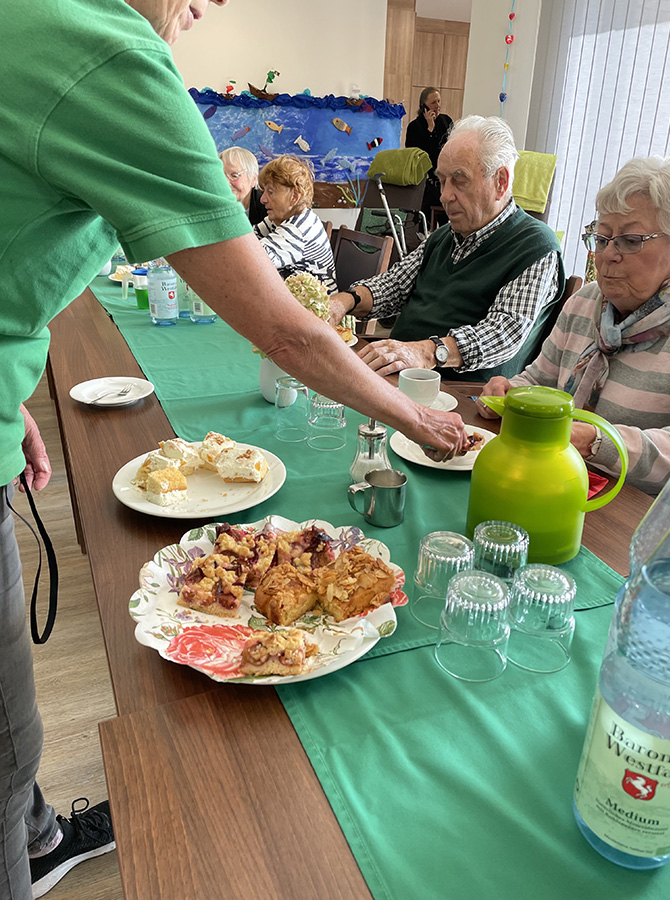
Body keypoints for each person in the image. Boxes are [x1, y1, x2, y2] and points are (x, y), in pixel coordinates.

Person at [1, 4, 470, 897]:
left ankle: (36, 839)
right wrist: (412, 419)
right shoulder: (105, 52)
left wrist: (11, 381)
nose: (205, 4)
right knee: (7, 734)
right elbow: (289, 337)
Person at [477, 155, 670, 495]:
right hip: (557, 482)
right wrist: (509, 391)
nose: (607, 255)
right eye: (601, 238)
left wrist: (598, 442)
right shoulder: (586, 302)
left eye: (631, 240)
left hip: (638, 517)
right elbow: (538, 379)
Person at [329, 115, 565, 383]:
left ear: (500, 182)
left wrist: (427, 352)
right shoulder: (443, 236)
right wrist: (343, 301)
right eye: (442, 181)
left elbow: (502, 334)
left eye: (459, 180)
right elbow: (393, 286)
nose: (444, 195)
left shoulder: (536, 247)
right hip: (400, 376)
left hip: (459, 396)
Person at [254, 155, 338, 293]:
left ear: (294, 197)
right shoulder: (280, 218)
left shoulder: (298, 229)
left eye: (271, 192)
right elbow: (249, 240)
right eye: (264, 192)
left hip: (315, 310)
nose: (262, 199)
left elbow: (250, 261)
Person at [405, 86, 453, 225]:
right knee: (424, 224)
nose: (437, 106)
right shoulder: (415, 127)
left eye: (439, 101)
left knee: (447, 224)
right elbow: (419, 155)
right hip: (426, 184)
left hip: (444, 181)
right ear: (423, 105)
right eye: (433, 103)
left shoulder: (446, 121)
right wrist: (430, 130)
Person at [219, 146, 266, 225]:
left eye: (234, 176)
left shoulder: (266, 207)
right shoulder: (210, 206)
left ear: (253, 179)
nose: (226, 182)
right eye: (220, 175)